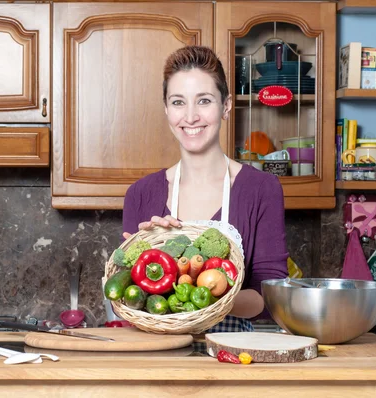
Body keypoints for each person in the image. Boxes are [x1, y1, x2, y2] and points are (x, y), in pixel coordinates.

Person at [122, 45, 289, 332]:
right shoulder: (140, 194)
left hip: (231, 358)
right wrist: (142, 258)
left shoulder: (261, 189)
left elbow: (269, 295)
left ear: (226, 106)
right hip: (158, 355)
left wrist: (203, 295)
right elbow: (126, 296)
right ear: (165, 109)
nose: (190, 117)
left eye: (204, 101)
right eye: (178, 102)